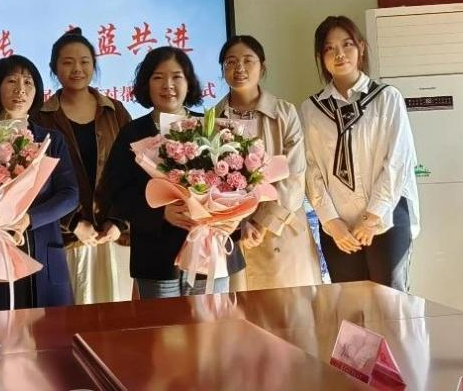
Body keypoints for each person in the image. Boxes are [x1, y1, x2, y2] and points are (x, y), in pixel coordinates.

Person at [102, 47, 245, 298]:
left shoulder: (212, 127)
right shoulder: (133, 133)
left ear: (189, 83)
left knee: (211, 322)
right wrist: (160, 213)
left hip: (209, 251)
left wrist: (228, 217)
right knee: (164, 324)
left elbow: (239, 184)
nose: (167, 85)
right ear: (146, 84)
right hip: (157, 256)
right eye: (158, 77)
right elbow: (117, 193)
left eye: (176, 77)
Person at [300, 16, 420, 291]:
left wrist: (372, 217)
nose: (339, 54)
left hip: (385, 218)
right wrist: (331, 221)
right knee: (349, 303)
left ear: (361, 48)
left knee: (389, 300)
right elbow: (310, 170)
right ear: (321, 57)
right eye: (329, 48)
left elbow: (399, 161)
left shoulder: (387, 98)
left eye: (347, 44)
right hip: (338, 227)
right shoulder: (311, 109)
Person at [0, 55, 80, 310]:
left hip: (43, 249)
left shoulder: (51, 140)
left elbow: (69, 194)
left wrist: (28, 219)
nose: (20, 90)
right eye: (11, 81)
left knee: (51, 330)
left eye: (28, 82)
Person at [31, 28, 133, 304]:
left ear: (94, 65)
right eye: (67, 62)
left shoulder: (115, 111)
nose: (77, 68)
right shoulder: (40, 117)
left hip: (113, 236)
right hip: (67, 238)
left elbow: (134, 172)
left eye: (84, 61)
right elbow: (36, 185)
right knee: (72, 316)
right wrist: (74, 223)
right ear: (54, 68)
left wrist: (119, 221)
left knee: (117, 314)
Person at [214, 35, 324, 290]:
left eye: (248, 60)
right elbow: (210, 183)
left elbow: (294, 176)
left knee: (287, 310)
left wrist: (261, 222)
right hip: (235, 234)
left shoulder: (284, 113)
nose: (239, 68)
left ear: (262, 67)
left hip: (281, 229)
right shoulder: (213, 118)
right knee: (241, 309)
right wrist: (239, 223)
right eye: (231, 62)